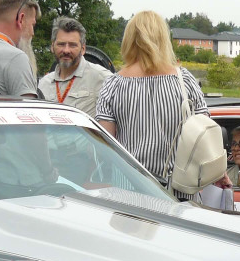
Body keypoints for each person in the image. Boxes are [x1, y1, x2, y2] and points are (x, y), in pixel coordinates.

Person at [96, 11, 229, 199]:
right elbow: (205, 137)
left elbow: (105, 146)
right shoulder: (185, 80)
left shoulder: (113, 85)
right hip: (179, 193)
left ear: (129, 40)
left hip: (129, 192)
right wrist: (219, 173)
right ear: (163, 39)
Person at [37, 16, 112, 117]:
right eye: (61, 44)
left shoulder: (103, 78)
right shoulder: (43, 84)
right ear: (52, 47)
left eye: (72, 45)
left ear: (83, 49)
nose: (66, 50)